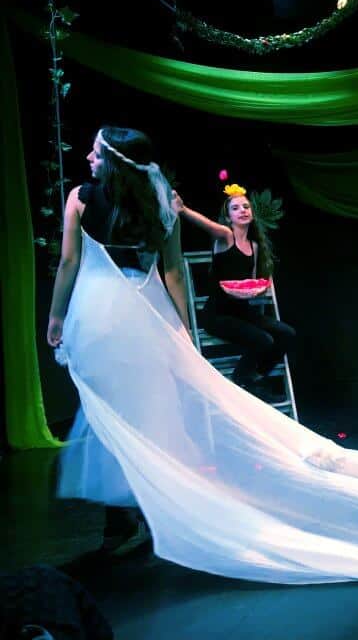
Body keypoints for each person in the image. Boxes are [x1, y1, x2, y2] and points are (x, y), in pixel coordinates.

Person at [46, 125, 188, 556]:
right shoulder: (163, 202)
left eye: (95, 153)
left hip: (98, 313)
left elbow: (68, 262)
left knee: (109, 414)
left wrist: (56, 315)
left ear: (113, 162)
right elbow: (173, 272)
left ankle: (124, 515)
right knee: (145, 413)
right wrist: (181, 329)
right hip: (144, 312)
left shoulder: (80, 198)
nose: (89, 158)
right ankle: (142, 508)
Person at [173, 182, 295, 400]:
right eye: (235, 208)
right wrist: (183, 210)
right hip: (217, 314)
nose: (243, 211)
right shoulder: (226, 236)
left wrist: (258, 289)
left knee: (287, 334)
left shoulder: (254, 247)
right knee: (263, 340)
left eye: (246, 207)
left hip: (242, 312)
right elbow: (209, 226)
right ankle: (240, 380)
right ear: (228, 217)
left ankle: (255, 377)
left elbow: (252, 283)